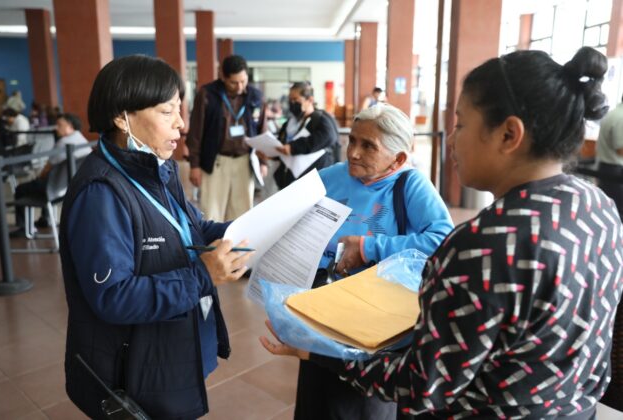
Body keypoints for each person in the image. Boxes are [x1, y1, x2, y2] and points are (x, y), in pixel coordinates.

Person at [261, 47, 623, 419]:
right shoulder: (598, 208)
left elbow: (423, 383)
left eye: (461, 125)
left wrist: (320, 353)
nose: (451, 140)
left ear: (508, 134)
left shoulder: (485, 245)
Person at [59, 55, 253, 419]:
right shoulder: (100, 193)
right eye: (167, 112)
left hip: (168, 348)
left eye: (180, 109)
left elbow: (192, 229)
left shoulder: (157, 169)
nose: (181, 124)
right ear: (122, 117)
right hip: (132, 370)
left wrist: (256, 228)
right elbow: (114, 296)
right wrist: (202, 275)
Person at [291, 103, 454, 420]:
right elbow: (289, 213)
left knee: (358, 407)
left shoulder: (410, 185)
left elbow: (442, 240)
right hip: (323, 311)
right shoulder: (331, 177)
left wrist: (368, 248)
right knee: (314, 402)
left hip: (374, 324)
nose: (353, 153)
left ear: (398, 159)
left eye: (368, 146)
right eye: (352, 140)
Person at [186, 54, 267, 222]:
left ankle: (238, 241)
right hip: (216, 161)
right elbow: (195, 132)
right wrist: (195, 165)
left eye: (243, 81)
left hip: (245, 161)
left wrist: (263, 161)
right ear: (223, 77)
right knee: (212, 212)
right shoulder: (207, 94)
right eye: (233, 82)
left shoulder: (256, 97)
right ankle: (215, 240)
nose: (239, 87)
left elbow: (262, 131)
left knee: (242, 214)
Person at [10, 113, 91, 234]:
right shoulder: (82, 139)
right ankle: (45, 219)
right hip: (69, 187)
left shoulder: (63, 143)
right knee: (42, 182)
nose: (56, 128)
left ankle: (24, 227)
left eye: (60, 125)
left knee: (21, 189)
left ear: (70, 127)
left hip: (54, 188)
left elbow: (46, 169)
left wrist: (38, 177)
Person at [274, 81, 340, 189]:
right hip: (289, 181)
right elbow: (282, 143)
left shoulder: (321, 119)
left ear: (310, 100)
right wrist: (272, 153)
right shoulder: (290, 122)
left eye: (295, 99)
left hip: (314, 182)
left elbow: (328, 137)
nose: (292, 103)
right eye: (290, 100)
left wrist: (293, 147)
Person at [595, 93, 623, 217]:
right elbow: (620, 150)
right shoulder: (621, 117)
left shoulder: (613, 113)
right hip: (615, 171)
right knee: (617, 211)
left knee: (608, 210)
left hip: (606, 168)